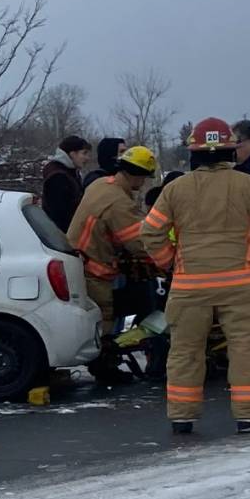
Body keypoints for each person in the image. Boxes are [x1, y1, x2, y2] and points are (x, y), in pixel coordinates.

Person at [140, 119, 250, 437]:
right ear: (230, 151)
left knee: (184, 350)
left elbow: (150, 231)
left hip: (190, 285)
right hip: (241, 283)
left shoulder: (175, 189)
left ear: (194, 153)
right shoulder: (248, 184)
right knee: (245, 347)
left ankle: (182, 417)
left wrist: (171, 264)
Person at [68, 144, 157, 384]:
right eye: (145, 177)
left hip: (79, 261)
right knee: (104, 319)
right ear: (137, 175)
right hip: (94, 269)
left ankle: (105, 364)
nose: (145, 183)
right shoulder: (119, 202)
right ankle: (105, 369)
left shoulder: (101, 185)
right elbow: (140, 243)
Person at [38, 134, 92, 231]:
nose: (87, 158)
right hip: (62, 237)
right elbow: (60, 216)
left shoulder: (70, 172)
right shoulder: (58, 177)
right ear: (72, 154)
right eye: (84, 153)